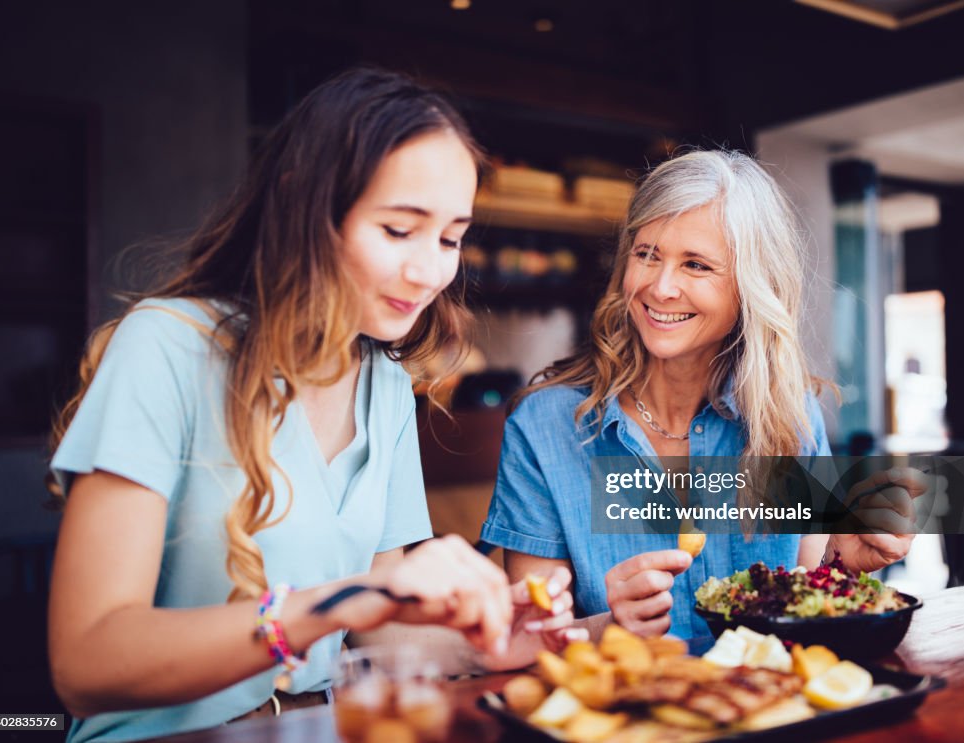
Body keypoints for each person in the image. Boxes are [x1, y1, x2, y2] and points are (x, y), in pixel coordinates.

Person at [47, 68, 582, 742]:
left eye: (449, 239)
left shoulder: (384, 382)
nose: (429, 271)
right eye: (398, 230)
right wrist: (326, 605)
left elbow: (378, 616)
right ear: (307, 206)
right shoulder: (166, 348)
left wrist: (483, 641)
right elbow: (87, 661)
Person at [480, 150, 926, 640]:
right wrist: (611, 627)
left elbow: (803, 607)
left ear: (752, 287)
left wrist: (840, 565)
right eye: (647, 254)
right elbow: (527, 639)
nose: (660, 287)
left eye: (696, 264)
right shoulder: (544, 427)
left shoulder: (790, 416)